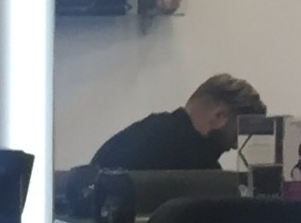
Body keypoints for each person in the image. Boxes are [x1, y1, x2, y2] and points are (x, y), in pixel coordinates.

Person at [91, 74, 264, 172]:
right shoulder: (200, 171)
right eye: (237, 135)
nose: (235, 146)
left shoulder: (145, 133)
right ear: (218, 116)